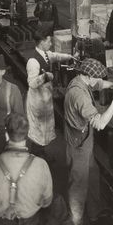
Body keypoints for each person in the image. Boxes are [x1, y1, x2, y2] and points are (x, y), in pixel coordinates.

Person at [64, 58, 113, 225]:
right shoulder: (79, 95)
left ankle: (94, 213)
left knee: (93, 173)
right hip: (78, 145)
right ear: (87, 76)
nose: (97, 81)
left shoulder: (80, 79)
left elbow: (99, 83)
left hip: (84, 139)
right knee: (78, 185)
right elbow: (99, 124)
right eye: (94, 78)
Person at [26, 30, 75, 160]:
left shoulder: (45, 54)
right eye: (49, 41)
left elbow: (55, 56)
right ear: (42, 42)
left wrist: (70, 56)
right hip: (37, 101)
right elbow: (31, 83)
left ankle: (40, 153)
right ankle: (36, 157)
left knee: (43, 130)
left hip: (44, 98)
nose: (51, 43)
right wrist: (45, 77)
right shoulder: (33, 61)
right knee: (38, 131)